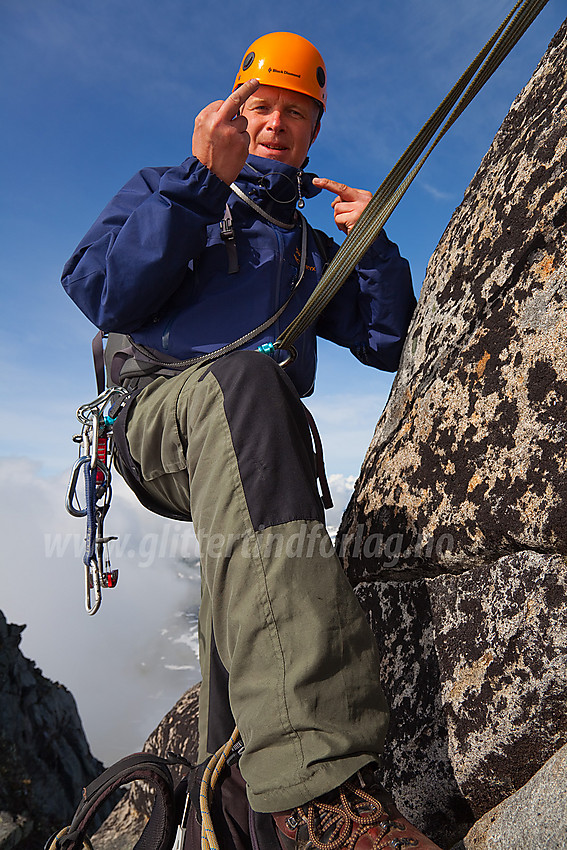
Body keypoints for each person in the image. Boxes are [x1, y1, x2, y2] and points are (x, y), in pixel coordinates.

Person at [62, 31, 441, 850]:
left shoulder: (306, 248)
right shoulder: (171, 190)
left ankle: (236, 816)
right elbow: (103, 291)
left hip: (253, 438)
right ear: (230, 109)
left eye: (295, 114)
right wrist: (202, 186)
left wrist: (373, 249)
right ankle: (316, 792)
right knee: (242, 386)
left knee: (260, 569)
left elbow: (389, 341)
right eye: (260, 106)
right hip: (158, 419)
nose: (275, 124)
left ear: (313, 131)